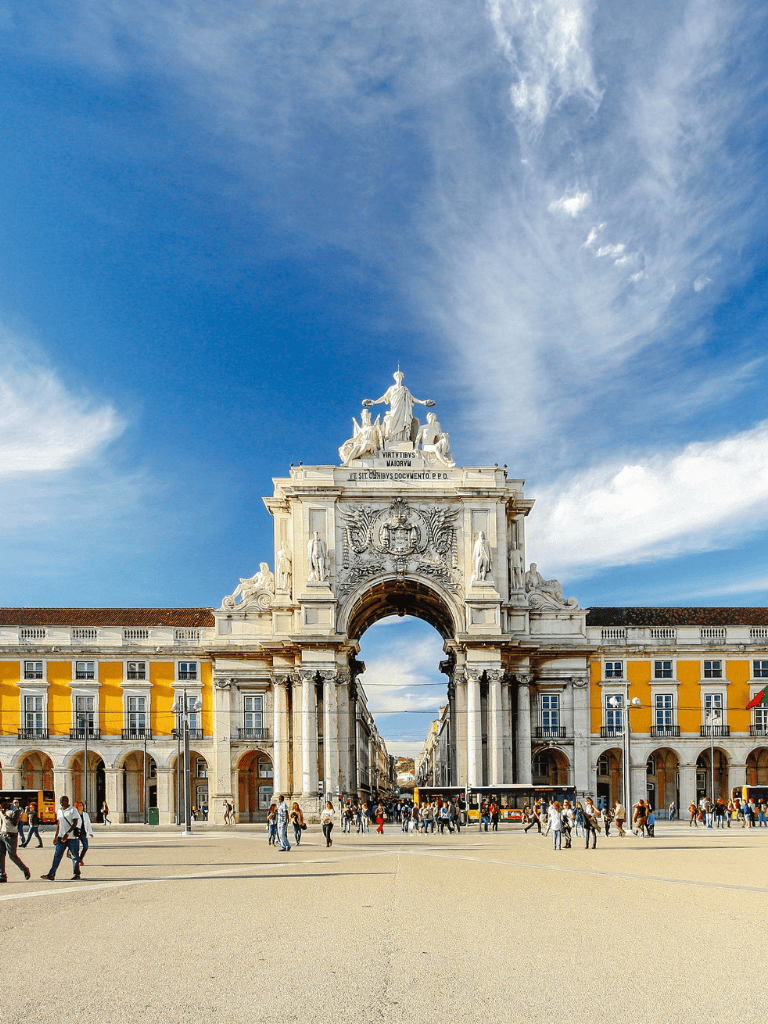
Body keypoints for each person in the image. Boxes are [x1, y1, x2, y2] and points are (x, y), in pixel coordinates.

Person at [41, 796, 81, 881]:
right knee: (57, 856)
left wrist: (68, 833)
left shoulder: (73, 810)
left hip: (72, 837)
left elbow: (75, 823)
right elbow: (59, 824)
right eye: (60, 801)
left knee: (74, 856)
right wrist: (56, 836)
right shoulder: (59, 811)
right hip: (61, 837)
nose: (61, 802)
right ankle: (51, 874)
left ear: (67, 801)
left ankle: (76, 874)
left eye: (63, 801)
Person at [0, 798, 31, 882]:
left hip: (11, 836)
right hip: (2, 835)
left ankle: (24, 869)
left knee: (12, 856)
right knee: (1, 855)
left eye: (2, 804)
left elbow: (14, 822)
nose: (1, 806)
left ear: (6, 802)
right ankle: (2, 875)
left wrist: (4, 814)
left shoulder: (15, 810)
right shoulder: (2, 810)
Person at [76, 802, 94, 868]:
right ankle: (77, 861)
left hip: (83, 833)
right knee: (76, 848)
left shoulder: (85, 814)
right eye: (80, 805)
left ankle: (80, 859)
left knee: (86, 846)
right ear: (77, 806)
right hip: (76, 833)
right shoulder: (74, 814)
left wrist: (90, 832)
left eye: (82, 805)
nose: (81, 807)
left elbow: (88, 823)